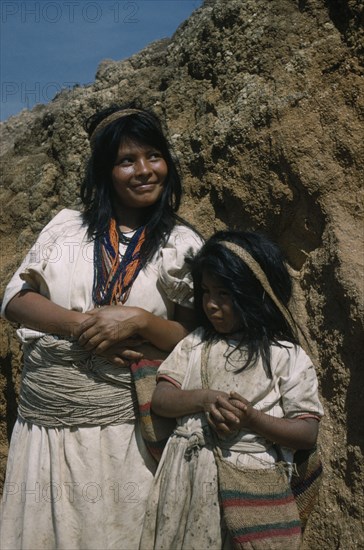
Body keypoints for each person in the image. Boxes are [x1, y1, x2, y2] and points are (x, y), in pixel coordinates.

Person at [0, 105, 203, 549]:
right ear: (105, 172)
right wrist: (83, 328)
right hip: (46, 428)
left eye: (153, 156)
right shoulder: (67, 227)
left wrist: (141, 320)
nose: (145, 171)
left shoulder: (181, 244)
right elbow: (15, 300)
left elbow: (196, 342)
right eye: (126, 161)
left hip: (124, 431)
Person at [140, 231, 324, 550]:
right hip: (186, 475)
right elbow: (161, 400)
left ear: (255, 295)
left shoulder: (286, 356)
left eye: (224, 293)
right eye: (207, 291)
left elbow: (306, 432)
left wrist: (252, 419)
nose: (211, 304)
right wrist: (203, 398)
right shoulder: (196, 342)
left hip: (252, 482)